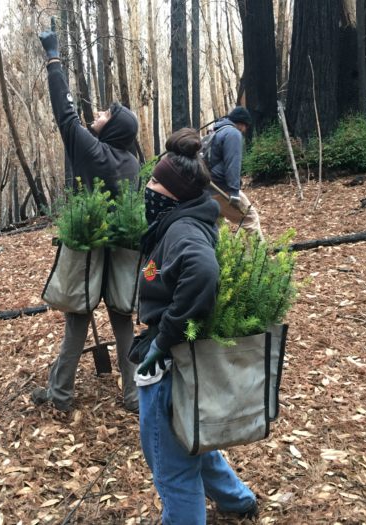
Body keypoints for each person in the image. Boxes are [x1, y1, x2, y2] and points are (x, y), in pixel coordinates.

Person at [131, 128, 258, 523]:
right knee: (189, 438)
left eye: (154, 183)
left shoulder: (182, 230)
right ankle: (237, 500)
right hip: (181, 359)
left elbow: (202, 273)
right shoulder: (186, 218)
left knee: (171, 467)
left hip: (172, 364)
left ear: (172, 193)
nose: (148, 189)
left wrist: (163, 341)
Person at [31, 28, 139, 413]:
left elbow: (65, 113)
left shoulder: (95, 152)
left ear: (113, 129)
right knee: (122, 318)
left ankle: (60, 394)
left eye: (106, 114)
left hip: (93, 247)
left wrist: (53, 58)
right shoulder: (130, 161)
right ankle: (133, 395)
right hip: (122, 250)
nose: (99, 114)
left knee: (78, 316)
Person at [207, 106, 263, 238]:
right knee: (250, 218)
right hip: (222, 189)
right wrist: (234, 192)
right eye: (245, 126)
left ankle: (219, 257)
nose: (244, 130)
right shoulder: (233, 133)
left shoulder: (216, 130)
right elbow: (233, 164)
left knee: (215, 226)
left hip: (208, 189)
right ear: (241, 123)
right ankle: (257, 257)